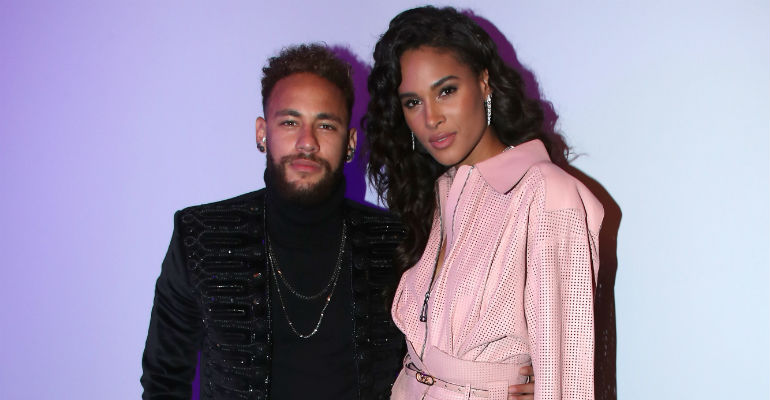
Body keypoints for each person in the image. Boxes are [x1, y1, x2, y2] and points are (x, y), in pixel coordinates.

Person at [140, 43, 537, 399]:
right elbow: (164, 380)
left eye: (325, 125)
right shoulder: (202, 235)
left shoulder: (396, 242)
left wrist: (509, 383)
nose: (307, 142)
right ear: (263, 133)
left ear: (349, 144)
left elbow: (442, 351)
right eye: (289, 122)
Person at [364, 6, 603, 400]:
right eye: (412, 102)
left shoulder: (546, 194)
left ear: (484, 83)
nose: (432, 118)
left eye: (446, 91)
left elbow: (567, 375)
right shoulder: (440, 197)